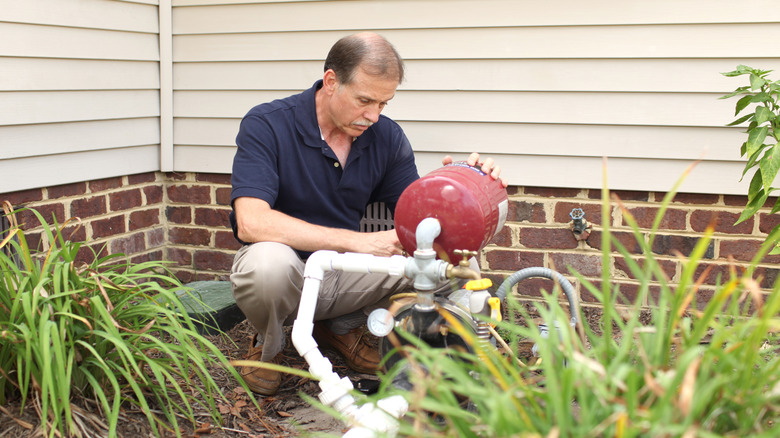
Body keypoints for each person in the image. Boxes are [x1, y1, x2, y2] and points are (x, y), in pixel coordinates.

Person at [229, 32, 505, 396]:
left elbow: (418, 218)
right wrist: (358, 242)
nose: (373, 115)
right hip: (291, 274)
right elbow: (252, 221)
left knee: (451, 269)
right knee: (267, 264)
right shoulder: (267, 124)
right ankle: (269, 346)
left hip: (346, 275)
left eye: (383, 104)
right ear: (331, 82)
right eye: (364, 101)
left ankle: (344, 328)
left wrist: (463, 184)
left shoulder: (386, 137)